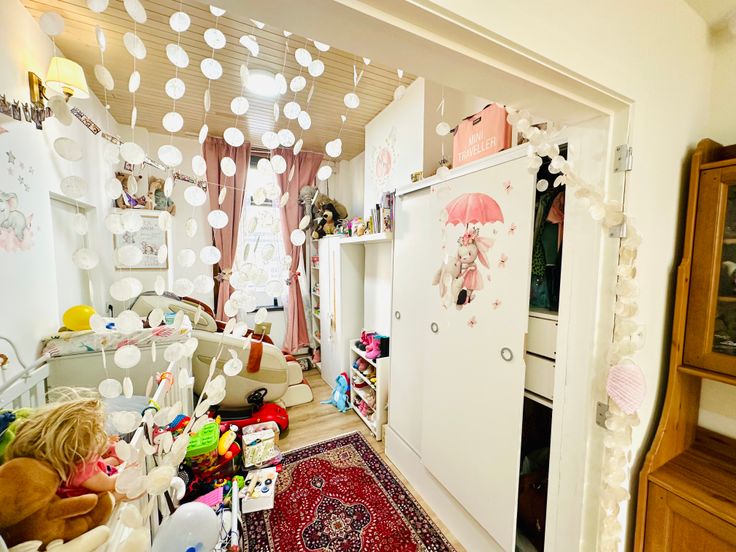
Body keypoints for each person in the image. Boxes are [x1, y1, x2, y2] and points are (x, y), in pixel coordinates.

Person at [4, 390, 121, 498]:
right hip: (88, 501)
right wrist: (127, 473)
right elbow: (110, 483)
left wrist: (115, 459)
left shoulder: (72, 461)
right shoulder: (83, 469)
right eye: (98, 433)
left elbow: (98, 468)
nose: (103, 436)